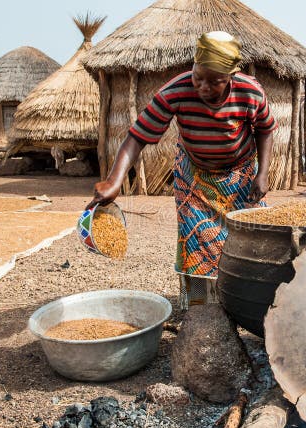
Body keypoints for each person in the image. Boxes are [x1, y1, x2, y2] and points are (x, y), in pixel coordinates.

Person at [87, 31, 275, 277]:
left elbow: (265, 130)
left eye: (214, 81)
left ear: (231, 76)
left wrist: (262, 174)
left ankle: (242, 296)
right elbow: (137, 136)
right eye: (198, 77)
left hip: (239, 175)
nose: (203, 87)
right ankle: (198, 303)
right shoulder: (176, 90)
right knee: (196, 242)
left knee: (249, 237)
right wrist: (114, 181)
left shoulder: (250, 92)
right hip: (193, 176)